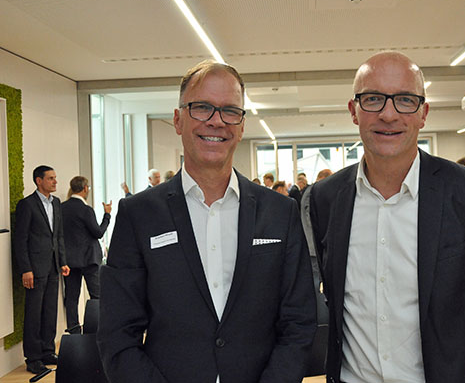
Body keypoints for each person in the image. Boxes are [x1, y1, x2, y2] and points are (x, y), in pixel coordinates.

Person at [97, 60, 316, 383]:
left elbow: (299, 322)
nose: (216, 121)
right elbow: (118, 335)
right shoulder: (138, 214)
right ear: (178, 119)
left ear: (241, 125)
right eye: (202, 108)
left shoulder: (280, 212)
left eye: (230, 111)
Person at [310, 52, 465, 383]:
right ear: (354, 111)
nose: (389, 114)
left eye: (405, 100)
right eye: (373, 99)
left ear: (423, 113)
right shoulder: (326, 197)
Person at [13, 165, 70, 374]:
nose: (55, 182)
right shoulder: (27, 205)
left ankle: (47, 351)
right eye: (51, 178)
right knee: (34, 315)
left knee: (49, 312)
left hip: (54, 267)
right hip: (34, 269)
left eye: (55, 178)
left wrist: (63, 261)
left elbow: (59, 235)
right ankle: (33, 358)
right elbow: (20, 240)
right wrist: (25, 269)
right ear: (39, 181)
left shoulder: (56, 203)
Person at [61, 176, 112, 333]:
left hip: (69, 260)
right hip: (89, 259)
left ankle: (74, 330)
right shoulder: (85, 210)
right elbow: (97, 233)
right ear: (84, 189)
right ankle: (96, 329)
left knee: (71, 297)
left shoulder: (61, 207)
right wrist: (107, 215)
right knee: (96, 296)